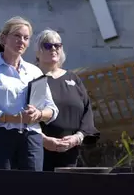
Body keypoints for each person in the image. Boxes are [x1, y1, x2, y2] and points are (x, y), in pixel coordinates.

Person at [0, 16, 59, 171]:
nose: (22, 41)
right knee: (0, 186)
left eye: (26, 38)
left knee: (31, 187)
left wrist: (38, 114)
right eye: (17, 36)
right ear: (3, 39)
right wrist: (14, 118)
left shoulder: (34, 71)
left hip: (31, 138)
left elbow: (52, 109)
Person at [35, 29, 99, 171]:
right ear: (38, 51)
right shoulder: (35, 79)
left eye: (57, 46)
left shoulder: (73, 79)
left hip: (71, 152)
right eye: (47, 45)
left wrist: (78, 137)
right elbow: (27, 115)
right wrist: (44, 140)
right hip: (40, 153)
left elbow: (87, 111)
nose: (53, 49)